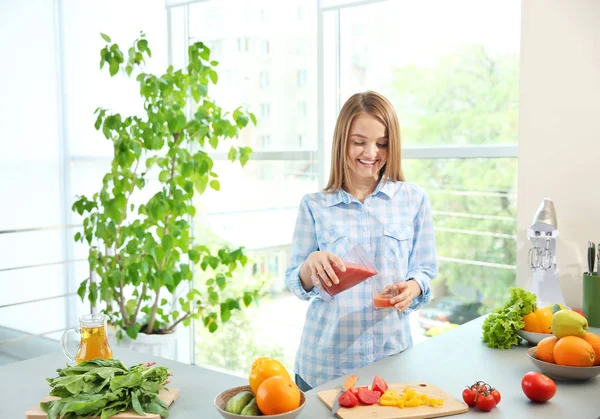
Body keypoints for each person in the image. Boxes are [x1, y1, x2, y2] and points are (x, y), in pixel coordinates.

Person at [284, 91, 438, 391]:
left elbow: (425, 269)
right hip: (324, 366)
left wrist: (413, 286)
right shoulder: (314, 205)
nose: (371, 153)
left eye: (381, 143)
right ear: (342, 142)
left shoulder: (413, 199)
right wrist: (309, 265)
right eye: (359, 142)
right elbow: (295, 281)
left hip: (391, 360)